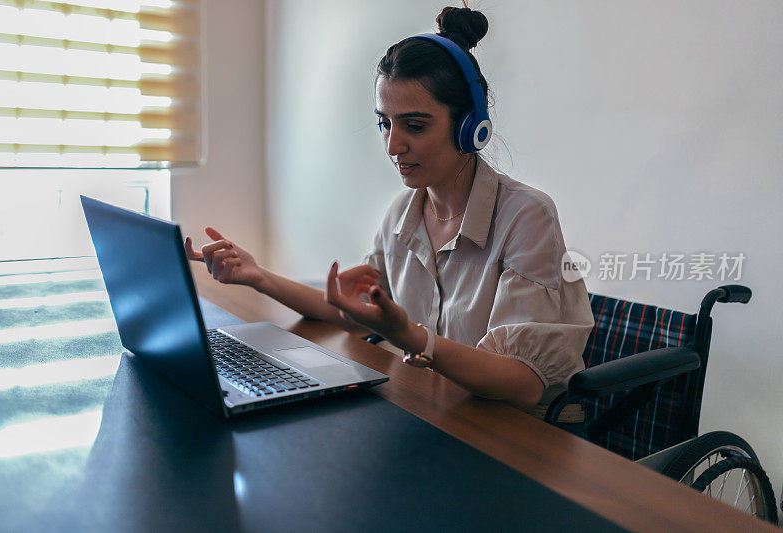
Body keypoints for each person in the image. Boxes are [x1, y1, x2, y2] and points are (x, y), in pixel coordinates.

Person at [186, 5, 595, 434]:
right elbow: (356, 313)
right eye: (385, 123)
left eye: (414, 126)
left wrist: (413, 338)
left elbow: (524, 384)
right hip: (442, 413)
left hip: (520, 435)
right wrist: (257, 276)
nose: (393, 145)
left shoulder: (526, 215)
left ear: (470, 127)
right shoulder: (404, 212)